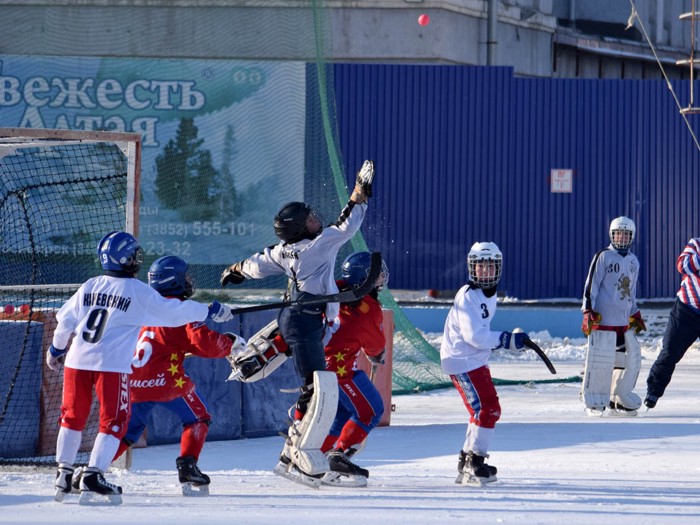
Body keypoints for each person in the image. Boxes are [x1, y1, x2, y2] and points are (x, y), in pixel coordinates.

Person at [47, 232, 233, 505]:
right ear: (126, 259)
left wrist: (56, 349)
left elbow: (65, 321)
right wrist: (209, 311)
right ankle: (93, 474)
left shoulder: (90, 284)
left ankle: (63, 473)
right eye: (134, 255)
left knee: (72, 417)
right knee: (113, 423)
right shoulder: (136, 291)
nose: (138, 260)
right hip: (110, 367)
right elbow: (175, 312)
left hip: (76, 361)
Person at [220, 160, 374, 486]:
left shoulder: (284, 250)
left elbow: (258, 263)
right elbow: (347, 224)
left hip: (299, 317)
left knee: (314, 386)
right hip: (303, 321)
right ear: (299, 229)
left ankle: (290, 454)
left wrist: (236, 270)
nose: (317, 221)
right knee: (315, 389)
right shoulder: (319, 245)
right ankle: (302, 457)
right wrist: (360, 192)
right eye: (310, 220)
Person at [108, 255, 245, 496]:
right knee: (199, 418)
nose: (189, 281)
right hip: (167, 382)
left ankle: (91, 470)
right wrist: (230, 343)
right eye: (185, 277)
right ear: (174, 281)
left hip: (132, 381)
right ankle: (187, 467)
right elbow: (204, 344)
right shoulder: (182, 310)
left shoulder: (144, 305)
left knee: (128, 432)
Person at [440, 241, 527, 486]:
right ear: (472, 268)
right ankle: (474, 462)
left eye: (490, 266)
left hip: (473, 360)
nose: (486, 271)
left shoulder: (490, 294)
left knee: (481, 410)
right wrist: (507, 340)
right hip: (462, 360)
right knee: (488, 409)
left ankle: (467, 459)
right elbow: (475, 336)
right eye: (481, 267)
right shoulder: (468, 296)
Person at [319, 251, 389, 486]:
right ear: (364, 278)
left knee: (341, 416)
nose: (381, 278)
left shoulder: (333, 291)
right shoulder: (368, 308)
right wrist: (377, 354)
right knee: (371, 410)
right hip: (341, 372)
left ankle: (317, 459)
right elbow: (376, 346)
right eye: (376, 275)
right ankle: (338, 458)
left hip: (320, 367)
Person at [581, 217, 646, 416]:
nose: (622, 238)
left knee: (621, 361)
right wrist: (587, 311)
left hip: (622, 321)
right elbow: (591, 285)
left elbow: (631, 292)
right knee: (601, 359)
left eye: (626, 234)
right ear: (612, 235)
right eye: (619, 233)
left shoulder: (634, 261)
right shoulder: (603, 257)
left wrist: (634, 313)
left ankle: (615, 398)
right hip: (603, 319)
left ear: (631, 237)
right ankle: (594, 397)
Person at [645, 237, 700, 409]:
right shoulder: (696, 244)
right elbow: (682, 266)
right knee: (669, 352)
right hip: (687, 310)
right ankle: (653, 392)